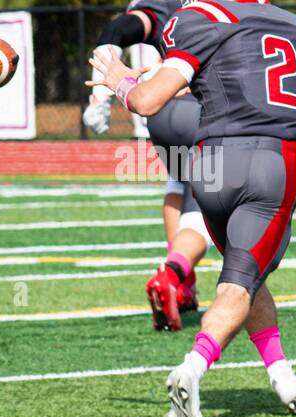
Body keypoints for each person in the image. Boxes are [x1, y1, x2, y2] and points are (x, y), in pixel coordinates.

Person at [88, 0, 296, 417]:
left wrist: (118, 81)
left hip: (210, 168)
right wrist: (132, 84)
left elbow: (149, 101)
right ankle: (192, 369)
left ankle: (281, 373)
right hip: (271, 163)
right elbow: (244, 77)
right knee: (239, 284)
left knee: (246, 276)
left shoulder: (200, 18)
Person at [84, 0, 213, 331]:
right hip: (199, 107)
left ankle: (184, 287)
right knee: (210, 201)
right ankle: (173, 273)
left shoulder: (164, 7)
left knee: (179, 182)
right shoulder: (233, 8)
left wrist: (99, 100)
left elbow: (117, 30)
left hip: (161, 113)